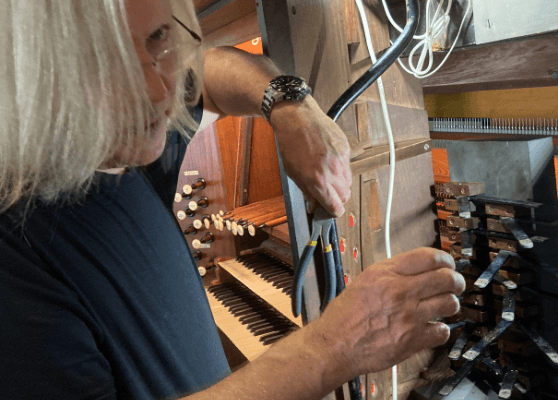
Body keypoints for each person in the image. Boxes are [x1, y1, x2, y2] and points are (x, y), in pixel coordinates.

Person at [0, 0, 465, 399]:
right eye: (105, 66)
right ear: (27, 76)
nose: (159, 92)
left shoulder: (117, 148)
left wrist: (289, 105)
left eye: (159, 36)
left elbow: (205, 74)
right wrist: (334, 347)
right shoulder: (15, 251)